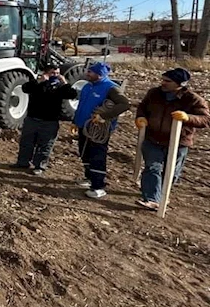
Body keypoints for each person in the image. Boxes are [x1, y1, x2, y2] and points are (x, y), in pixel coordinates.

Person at [135, 68, 210, 210]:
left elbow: (206, 119)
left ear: (180, 84)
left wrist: (188, 117)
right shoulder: (154, 93)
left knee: (172, 172)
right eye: (163, 79)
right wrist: (140, 117)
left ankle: (162, 194)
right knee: (152, 167)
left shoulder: (192, 99)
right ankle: (151, 199)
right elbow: (142, 107)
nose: (163, 83)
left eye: (167, 81)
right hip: (153, 138)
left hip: (178, 142)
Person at [72, 62, 130, 199]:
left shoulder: (111, 88)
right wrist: (75, 121)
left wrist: (103, 116)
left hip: (98, 129)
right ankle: (89, 178)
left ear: (99, 74)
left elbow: (125, 104)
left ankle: (98, 186)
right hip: (84, 126)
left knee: (97, 155)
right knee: (84, 153)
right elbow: (81, 105)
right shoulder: (87, 86)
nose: (87, 74)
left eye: (90, 72)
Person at [14, 64, 77, 174]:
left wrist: (65, 83)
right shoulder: (37, 84)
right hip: (33, 119)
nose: (55, 76)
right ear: (46, 73)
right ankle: (23, 162)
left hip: (50, 121)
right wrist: (39, 81)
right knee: (26, 142)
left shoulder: (60, 87)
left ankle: (40, 166)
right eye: (53, 73)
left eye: (57, 73)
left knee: (45, 145)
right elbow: (25, 88)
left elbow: (72, 94)